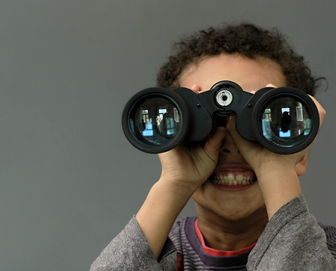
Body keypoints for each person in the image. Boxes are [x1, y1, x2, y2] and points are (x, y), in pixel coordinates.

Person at [91, 23, 336, 270]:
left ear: (301, 153)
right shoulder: (150, 254)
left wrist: (276, 172)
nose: (231, 146)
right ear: (171, 140)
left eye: (273, 119)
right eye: (205, 123)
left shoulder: (325, 254)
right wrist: (175, 183)